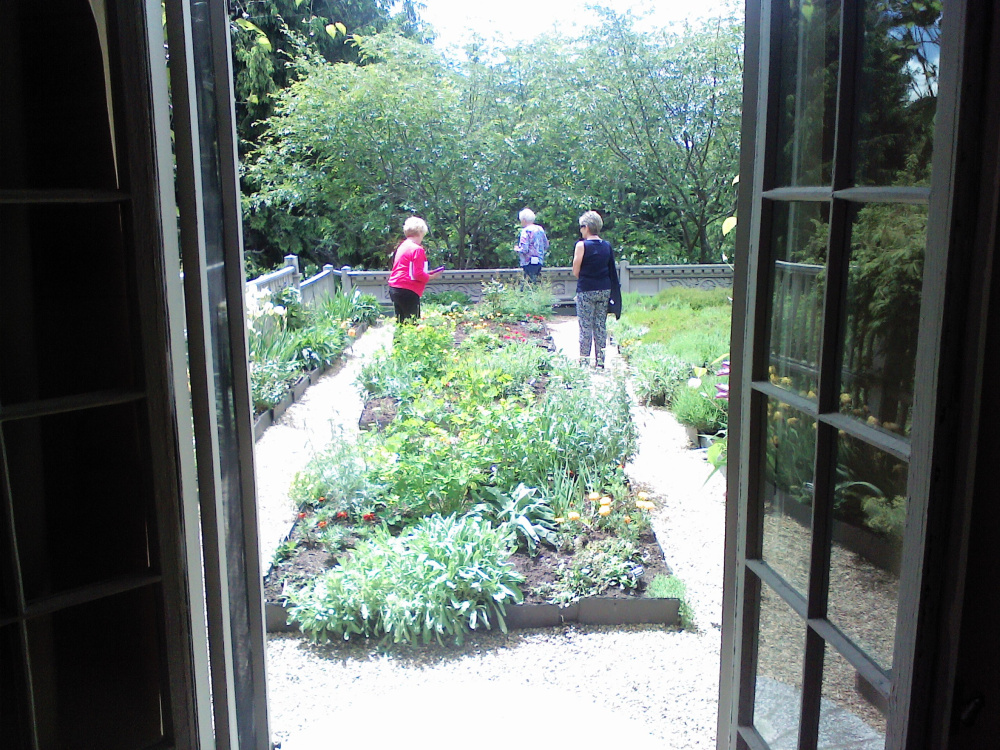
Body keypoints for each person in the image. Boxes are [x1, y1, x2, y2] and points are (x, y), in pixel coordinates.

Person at [572, 210, 621, 369]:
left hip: (586, 290)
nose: (580, 230)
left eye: (581, 227)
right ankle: (600, 361)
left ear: (586, 227)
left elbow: (575, 271)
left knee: (585, 326)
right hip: (604, 289)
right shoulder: (606, 246)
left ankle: (584, 361)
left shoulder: (581, 245)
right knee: (600, 325)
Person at [387, 216, 443, 323]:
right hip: (408, 289)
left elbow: (408, 269)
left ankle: (398, 340)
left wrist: (426, 273)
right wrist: (432, 277)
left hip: (395, 288)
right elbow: (417, 275)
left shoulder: (403, 246)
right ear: (421, 232)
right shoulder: (417, 249)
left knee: (401, 323)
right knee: (412, 323)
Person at [514, 208, 549, 282]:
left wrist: (517, 249)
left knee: (528, 284)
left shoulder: (526, 231)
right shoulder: (540, 229)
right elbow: (546, 245)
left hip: (528, 262)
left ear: (524, 220)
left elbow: (524, 249)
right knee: (535, 282)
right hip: (539, 261)